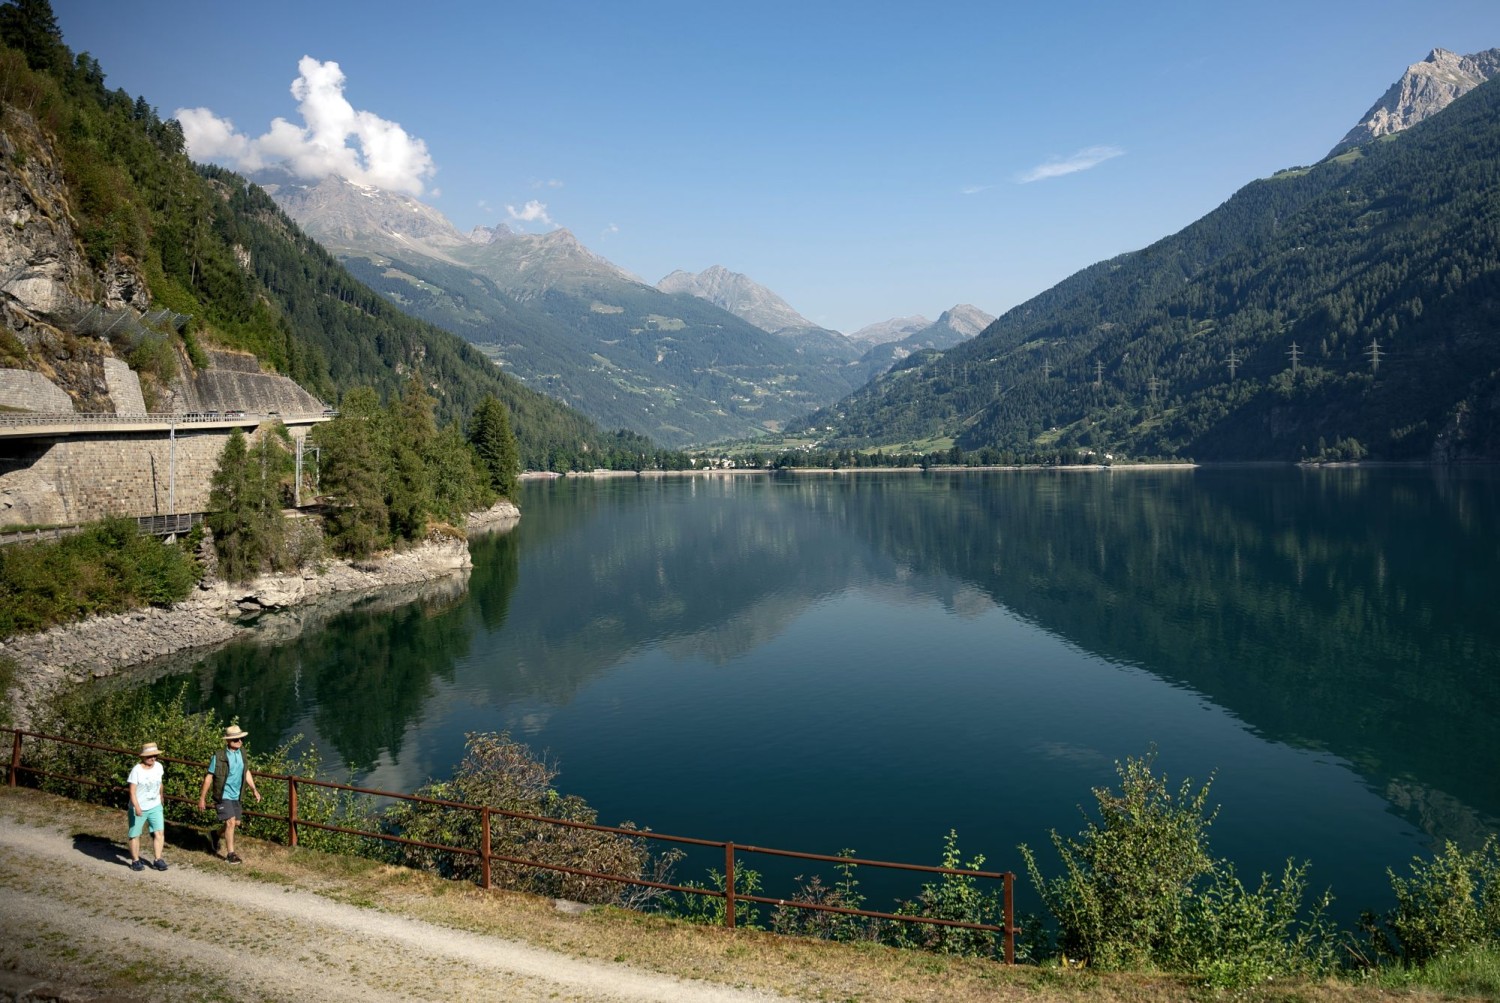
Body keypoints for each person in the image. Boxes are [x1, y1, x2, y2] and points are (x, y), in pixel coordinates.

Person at [197, 724, 261, 863]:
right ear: (228, 741)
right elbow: (209, 777)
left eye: (240, 739)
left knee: (236, 822)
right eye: (235, 740)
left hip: (236, 795)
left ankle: (215, 834)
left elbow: (246, 772)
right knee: (230, 822)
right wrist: (202, 798)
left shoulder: (242, 753)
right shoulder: (219, 757)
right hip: (223, 794)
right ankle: (230, 854)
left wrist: (254, 789)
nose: (239, 742)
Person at [127, 742, 168, 872]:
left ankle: (158, 859)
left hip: (155, 805)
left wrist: (161, 796)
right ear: (143, 757)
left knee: (159, 832)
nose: (153, 758)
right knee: (135, 834)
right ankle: (135, 860)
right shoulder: (136, 770)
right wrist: (137, 807)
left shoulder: (159, 767)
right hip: (139, 806)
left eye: (155, 755)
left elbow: (160, 782)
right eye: (149, 756)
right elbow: (132, 791)